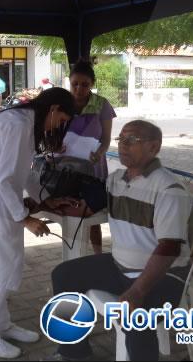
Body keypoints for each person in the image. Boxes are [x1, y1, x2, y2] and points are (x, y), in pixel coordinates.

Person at [45, 120, 192, 361]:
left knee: (135, 316)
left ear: (154, 147)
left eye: (132, 140)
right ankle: (74, 352)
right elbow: (87, 209)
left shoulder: (169, 189)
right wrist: (42, 205)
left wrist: (137, 291)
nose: (123, 146)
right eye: (121, 140)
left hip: (163, 276)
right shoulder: (116, 180)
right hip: (120, 266)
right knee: (64, 275)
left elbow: (169, 247)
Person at [0, 87, 76, 359]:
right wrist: (26, 219)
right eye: (61, 120)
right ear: (53, 109)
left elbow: (21, 174)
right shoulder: (17, 124)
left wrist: (46, 200)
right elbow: (4, 179)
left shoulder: (23, 121)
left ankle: (1, 323)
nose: (58, 127)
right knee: (4, 268)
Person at [64, 60, 116, 254]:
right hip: (67, 166)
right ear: (69, 82)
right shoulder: (63, 103)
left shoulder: (102, 105)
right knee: (69, 209)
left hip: (93, 166)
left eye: (84, 84)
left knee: (92, 211)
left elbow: (106, 138)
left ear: (92, 84)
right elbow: (52, 134)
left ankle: (97, 254)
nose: (79, 89)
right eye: (75, 84)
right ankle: (73, 252)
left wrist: (100, 152)